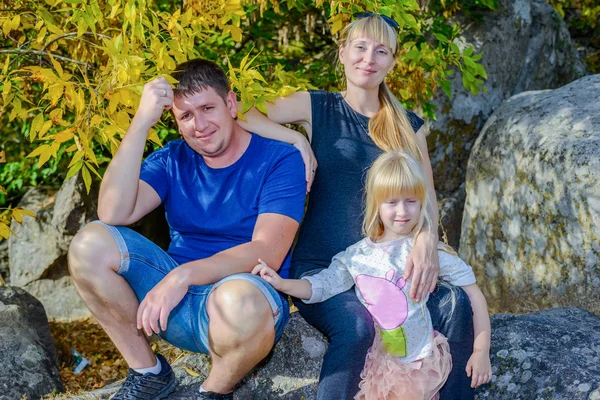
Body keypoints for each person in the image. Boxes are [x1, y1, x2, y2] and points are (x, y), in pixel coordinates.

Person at [238, 12, 477, 400]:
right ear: (343, 51)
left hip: (390, 266)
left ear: (393, 62)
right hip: (325, 267)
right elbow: (244, 110)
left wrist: (425, 241)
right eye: (361, 47)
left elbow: (427, 197)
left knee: (456, 302)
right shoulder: (317, 107)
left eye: (381, 51)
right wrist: (296, 139)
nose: (369, 58)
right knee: (358, 327)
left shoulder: (409, 126)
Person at [67, 59, 306, 399]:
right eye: (186, 116)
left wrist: (183, 277)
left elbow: (267, 251)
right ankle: (149, 373)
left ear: (231, 104)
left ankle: (212, 391)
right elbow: (112, 212)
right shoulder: (171, 159)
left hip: (243, 309)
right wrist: (141, 122)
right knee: (89, 244)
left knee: (239, 299)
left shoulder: (279, 160)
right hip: (173, 309)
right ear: (177, 124)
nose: (200, 124)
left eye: (208, 108)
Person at [253, 151, 492, 400]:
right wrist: (281, 283)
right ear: (377, 205)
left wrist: (481, 350)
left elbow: (473, 293)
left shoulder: (426, 254)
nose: (402, 211)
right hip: (382, 369)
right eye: (392, 202)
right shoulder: (356, 257)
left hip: (423, 364)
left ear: (422, 203)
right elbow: (321, 286)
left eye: (411, 200)